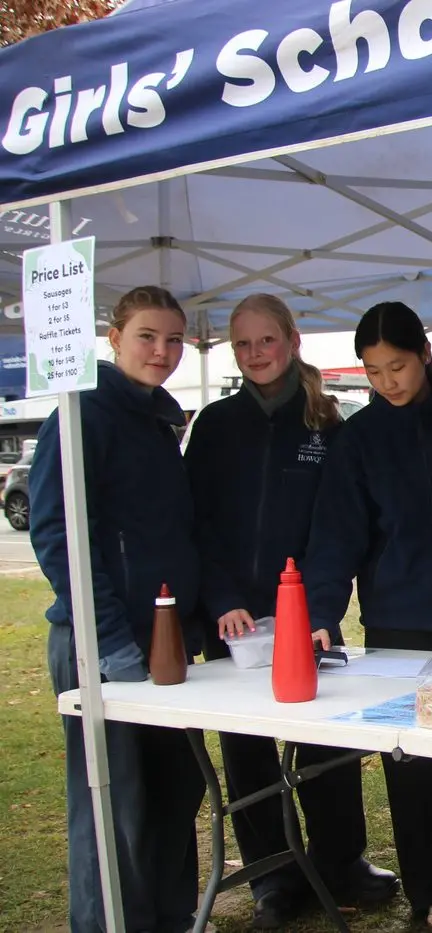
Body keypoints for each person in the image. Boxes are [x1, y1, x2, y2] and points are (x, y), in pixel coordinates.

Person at [183, 294, 398, 928]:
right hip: (235, 622)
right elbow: (198, 524)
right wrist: (222, 601)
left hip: (307, 612)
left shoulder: (327, 425)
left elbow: (337, 531)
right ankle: (272, 877)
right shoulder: (216, 425)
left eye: (266, 340)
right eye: (243, 344)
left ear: (292, 340)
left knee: (325, 740)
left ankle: (340, 863)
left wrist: (320, 610)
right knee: (247, 749)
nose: (256, 354)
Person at [302, 301, 432, 929]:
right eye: (374, 371)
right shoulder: (359, 438)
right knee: (409, 762)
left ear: (425, 353)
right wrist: (322, 612)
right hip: (396, 618)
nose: (388, 381)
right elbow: (336, 536)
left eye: (397, 366)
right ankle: (429, 888)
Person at [31, 286, 207, 933]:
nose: (161, 351)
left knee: (175, 789)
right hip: (104, 643)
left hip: (165, 639)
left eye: (173, 339)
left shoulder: (158, 421)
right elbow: (58, 533)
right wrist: (107, 640)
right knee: (113, 803)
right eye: (147, 337)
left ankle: (168, 917)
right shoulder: (82, 413)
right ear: (114, 339)